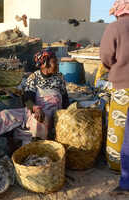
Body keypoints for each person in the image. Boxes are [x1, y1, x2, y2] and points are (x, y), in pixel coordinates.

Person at [0, 50, 69, 140]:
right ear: (44, 64)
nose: (57, 65)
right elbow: (27, 99)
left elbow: (65, 99)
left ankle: (38, 142)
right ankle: (4, 142)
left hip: (53, 113)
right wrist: (36, 108)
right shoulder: (34, 77)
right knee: (4, 115)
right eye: (54, 62)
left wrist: (65, 114)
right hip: (35, 110)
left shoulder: (59, 78)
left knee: (39, 121)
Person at [101, 0, 129, 195]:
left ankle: (124, 178)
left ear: (118, 12)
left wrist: (114, 68)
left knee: (121, 133)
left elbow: (105, 55)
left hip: (123, 87)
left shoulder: (116, 27)